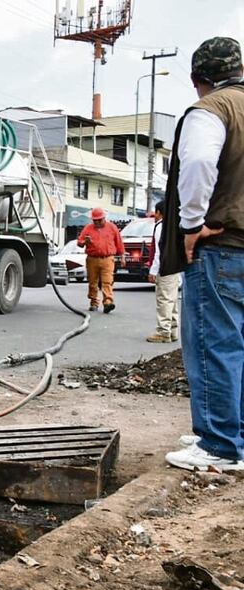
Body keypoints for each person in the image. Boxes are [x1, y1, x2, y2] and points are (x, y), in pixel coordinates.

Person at [160, 37, 244, 472]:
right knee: (239, 344)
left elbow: (196, 165)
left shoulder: (211, 110)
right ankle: (235, 432)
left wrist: (192, 225)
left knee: (216, 343)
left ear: (198, 79)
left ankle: (219, 445)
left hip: (222, 247)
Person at [77, 207, 126, 313]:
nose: (98, 222)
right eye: (95, 220)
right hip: (92, 259)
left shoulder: (112, 227)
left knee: (107, 281)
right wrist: (85, 242)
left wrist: (122, 256)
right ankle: (94, 302)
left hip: (107, 259)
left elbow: (119, 242)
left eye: (100, 220)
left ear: (104, 218)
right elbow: (79, 243)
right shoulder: (88, 228)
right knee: (92, 282)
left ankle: (108, 302)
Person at [146, 199, 181, 343]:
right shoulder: (174, 226)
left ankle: (163, 331)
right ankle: (173, 330)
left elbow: (159, 251)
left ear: (159, 212)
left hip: (164, 268)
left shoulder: (161, 227)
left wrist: (153, 270)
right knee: (171, 300)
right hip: (174, 267)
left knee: (164, 300)